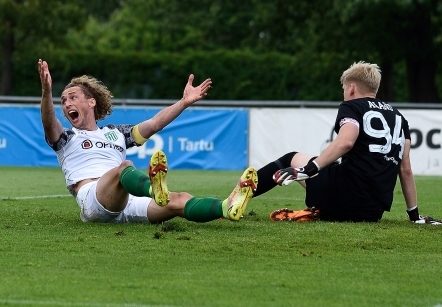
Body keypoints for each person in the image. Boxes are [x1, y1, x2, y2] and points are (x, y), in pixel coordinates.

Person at [38, 59, 258, 224]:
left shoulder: (116, 133)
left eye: (72, 97)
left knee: (180, 200)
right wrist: (47, 91)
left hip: (127, 200)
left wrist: (183, 102)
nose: (66, 103)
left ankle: (225, 207)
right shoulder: (67, 137)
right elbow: (49, 122)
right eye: (63, 100)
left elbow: (154, 124)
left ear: (91, 102)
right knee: (124, 167)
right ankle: (154, 190)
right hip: (94, 201)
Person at [249, 61, 439, 224]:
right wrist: (414, 216)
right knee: (334, 166)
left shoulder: (352, 106)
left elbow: (345, 142)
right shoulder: (399, 117)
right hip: (372, 213)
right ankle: (319, 209)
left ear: (351, 88)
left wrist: (306, 170)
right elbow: (405, 169)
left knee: (290, 159)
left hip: (344, 199)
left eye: (343, 89)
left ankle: (234, 201)